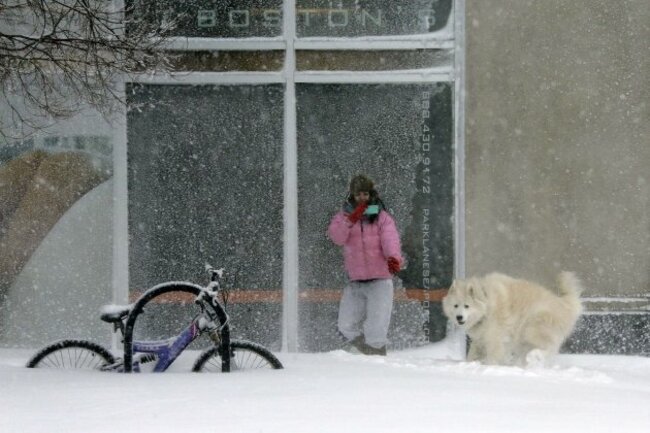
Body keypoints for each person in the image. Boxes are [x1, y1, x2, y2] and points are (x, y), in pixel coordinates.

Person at [327, 174, 403, 356]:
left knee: (376, 329)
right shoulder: (343, 217)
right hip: (355, 280)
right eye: (358, 194)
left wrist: (393, 257)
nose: (362, 198)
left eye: (365, 194)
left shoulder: (381, 217)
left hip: (380, 280)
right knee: (346, 325)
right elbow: (337, 238)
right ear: (352, 195)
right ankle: (368, 353)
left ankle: (376, 356)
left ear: (371, 194)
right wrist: (350, 220)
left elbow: (390, 239)